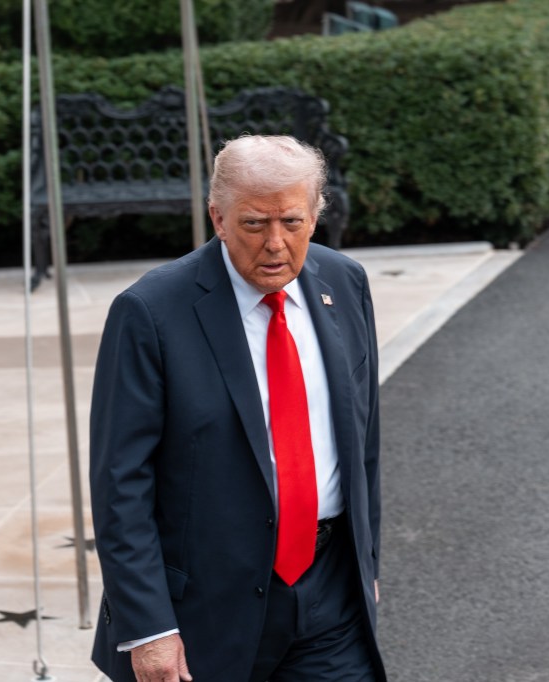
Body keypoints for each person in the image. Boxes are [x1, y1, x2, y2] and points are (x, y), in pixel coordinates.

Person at [89, 134, 386, 681]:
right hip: (207, 611)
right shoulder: (150, 312)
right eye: (253, 224)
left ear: (314, 217)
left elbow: (362, 441)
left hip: (330, 592)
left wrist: (367, 563)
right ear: (218, 219)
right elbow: (120, 483)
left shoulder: (345, 283)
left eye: (291, 222)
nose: (275, 243)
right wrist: (149, 628)